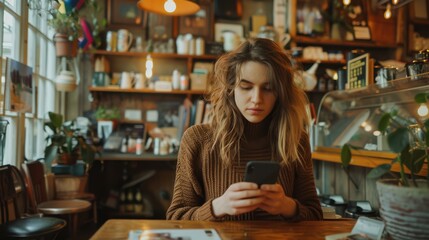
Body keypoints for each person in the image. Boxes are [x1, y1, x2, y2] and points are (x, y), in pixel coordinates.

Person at [166, 38, 322, 221]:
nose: (256, 98)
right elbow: (176, 219)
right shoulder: (197, 140)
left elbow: (315, 215)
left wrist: (287, 206)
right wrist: (217, 207)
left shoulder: (297, 140)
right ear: (230, 89)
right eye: (246, 87)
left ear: (280, 93)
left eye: (268, 88)